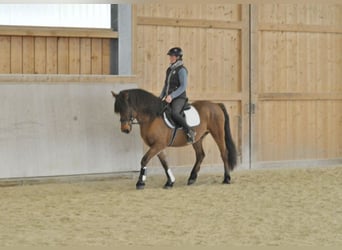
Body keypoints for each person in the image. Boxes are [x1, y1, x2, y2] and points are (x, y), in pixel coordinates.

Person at [160, 47, 195, 143]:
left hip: (179, 98)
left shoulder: (182, 70)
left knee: (175, 113)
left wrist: (172, 96)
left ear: (178, 57)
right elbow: (166, 85)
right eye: (170, 56)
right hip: (168, 98)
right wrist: (160, 97)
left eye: (172, 56)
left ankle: (189, 131)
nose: (170, 58)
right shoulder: (169, 70)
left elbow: (183, 86)